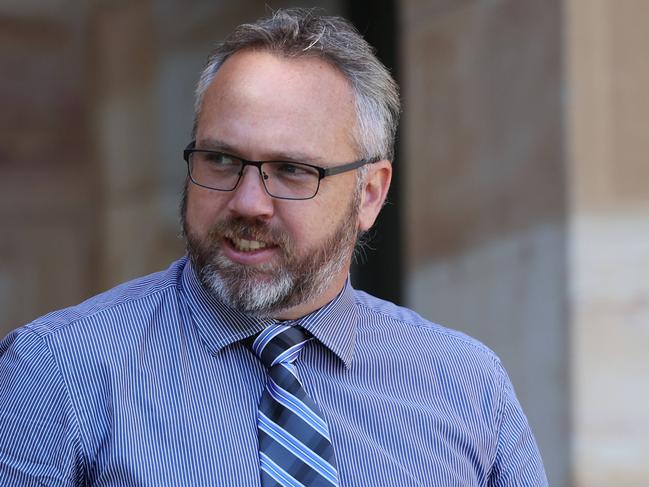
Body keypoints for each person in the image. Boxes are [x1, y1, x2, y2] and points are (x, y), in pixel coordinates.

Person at [0, 8, 547, 486]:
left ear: (370, 194)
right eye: (221, 159)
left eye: (291, 170)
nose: (248, 201)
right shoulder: (56, 369)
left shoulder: (467, 388)